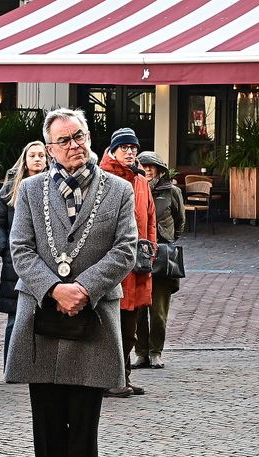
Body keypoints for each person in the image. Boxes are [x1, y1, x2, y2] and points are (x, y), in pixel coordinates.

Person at [5, 108, 137, 457]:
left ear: (88, 136)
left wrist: (84, 287)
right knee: (45, 423)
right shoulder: (29, 191)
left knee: (84, 423)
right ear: (50, 147)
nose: (73, 145)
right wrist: (53, 289)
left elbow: (126, 248)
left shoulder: (117, 190)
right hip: (41, 319)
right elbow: (20, 249)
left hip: (94, 318)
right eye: (63, 141)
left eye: (78, 136)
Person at [99, 127, 156, 397]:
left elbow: (150, 218)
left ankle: (124, 375)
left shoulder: (141, 180)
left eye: (133, 148)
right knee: (112, 324)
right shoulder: (103, 178)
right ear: (113, 150)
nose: (131, 152)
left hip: (138, 264)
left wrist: (151, 249)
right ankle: (109, 377)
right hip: (113, 265)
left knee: (131, 326)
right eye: (125, 148)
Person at [0, 141, 48, 367]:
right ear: (25, 159)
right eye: (32, 155)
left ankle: (39, 367)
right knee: (15, 318)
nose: (37, 159)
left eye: (41, 155)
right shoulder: (10, 187)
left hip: (45, 260)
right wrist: (5, 248)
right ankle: (11, 366)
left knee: (44, 317)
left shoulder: (53, 185)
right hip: (15, 261)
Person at [133, 151, 184, 369]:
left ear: (160, 170)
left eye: (152, 166)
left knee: (158, 310)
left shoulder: (172, 192)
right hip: (137, 254)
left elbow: (180, 222)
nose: (147, 169)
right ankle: (141, 352)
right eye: (143, 165)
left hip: (161, 255)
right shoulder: (132, 188)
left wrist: (166, 241)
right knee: (138, 309)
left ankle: (156, 351)